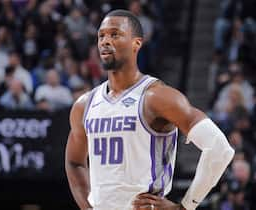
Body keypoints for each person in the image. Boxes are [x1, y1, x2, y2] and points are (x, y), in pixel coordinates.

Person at [65, 9, 235, 210]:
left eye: (114, 34)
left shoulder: (157, 97)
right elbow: (74, 162)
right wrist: (87, 206)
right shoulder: (84, 105)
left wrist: (185, 206)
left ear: (136, 43)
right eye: (101, 36)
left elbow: (220, 148)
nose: (105, 41)